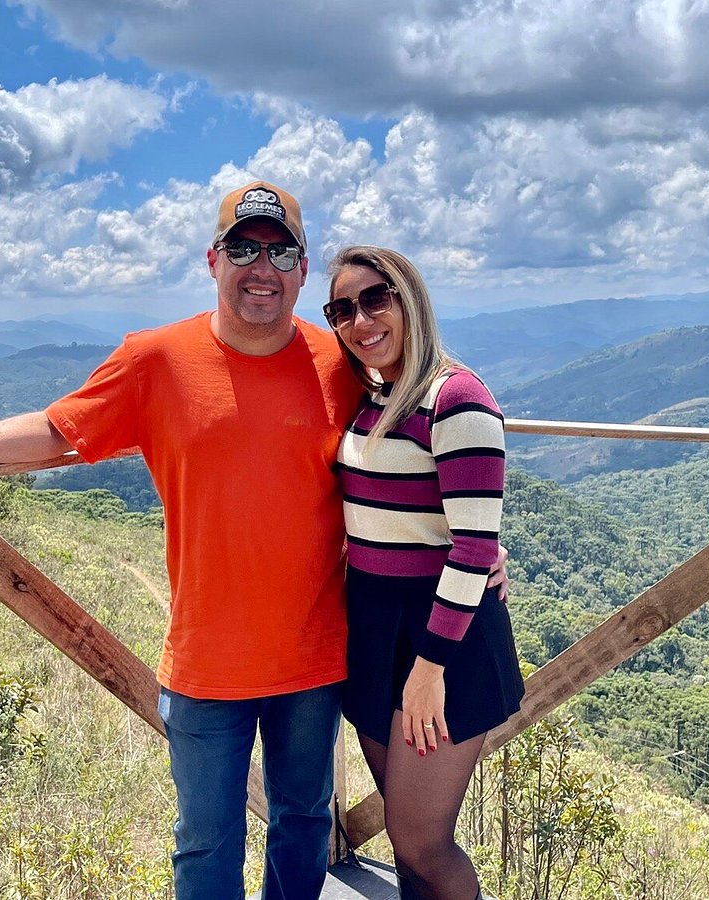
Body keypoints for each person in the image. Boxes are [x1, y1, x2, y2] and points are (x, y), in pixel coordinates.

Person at [0, 182, 506, 900]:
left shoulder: (337, 364)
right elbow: (60, 428)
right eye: (243, 248)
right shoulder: (155, 358)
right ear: (213, 260)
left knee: (304, 823)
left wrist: (480, 546)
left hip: (317, 655)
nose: (261, 267)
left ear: (302, 271)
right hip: (208, 660)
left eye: (280, 252)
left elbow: (427, 453)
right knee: (206, 843)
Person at [323, 246, 524, 900]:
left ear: (409, 298)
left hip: (441, 642)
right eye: (342, 309)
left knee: (422, 843)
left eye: (376, 298)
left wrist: (430, 670)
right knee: (408, 848)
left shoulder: (457, 397)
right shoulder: (373, 398)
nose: (361, 320)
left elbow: (471, 546)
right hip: (376, 630)